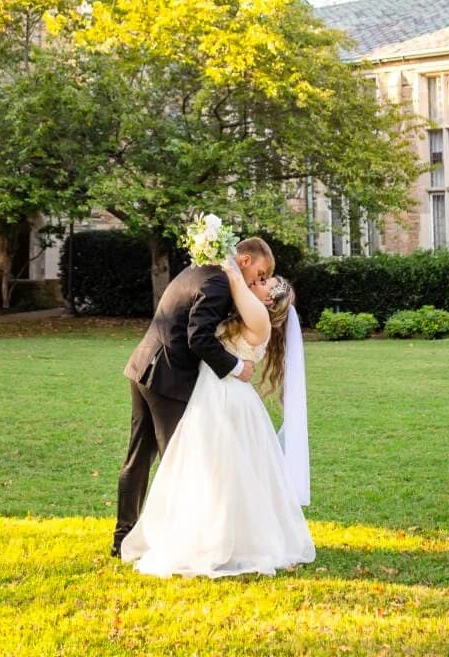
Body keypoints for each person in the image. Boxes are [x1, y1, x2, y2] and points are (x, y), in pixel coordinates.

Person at [119, 261, 316, 577]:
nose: (259, 282)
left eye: (266, 282)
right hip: (210, 393)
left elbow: (234, 287)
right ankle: (190, 533)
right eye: (261, 277)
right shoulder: (245, 310)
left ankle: (209, 539)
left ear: (270, 300)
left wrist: (229, 262)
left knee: (213, 470)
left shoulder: (260, 317)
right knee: (204, 468)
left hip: (225, 397)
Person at [111, 236, 275, 558]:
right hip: (168, 378)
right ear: (244, 260)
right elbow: (198, 337)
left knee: (138, 460)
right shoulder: (217, 283)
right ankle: (176, 544)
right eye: (260, 271)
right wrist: (236, 365)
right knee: (180, 462)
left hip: (144, 366)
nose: (260, 280)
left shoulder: (202, 270)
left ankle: (123, 540)